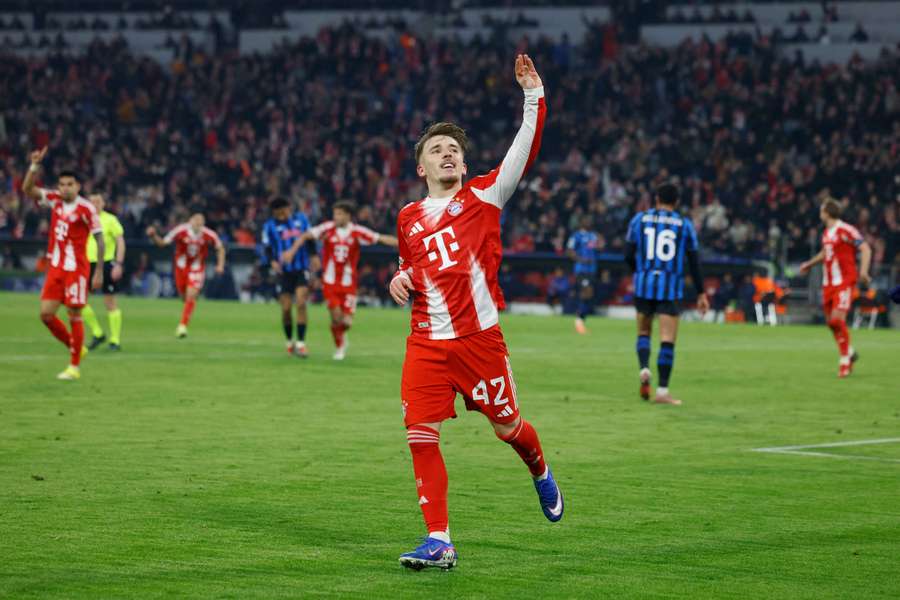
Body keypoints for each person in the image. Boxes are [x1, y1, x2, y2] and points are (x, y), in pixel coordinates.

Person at [388, 55, 561, 571]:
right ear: (421, 167)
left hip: (479, 342)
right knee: (420, 435)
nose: (447, 155)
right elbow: (410, 268)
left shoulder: (486, 194)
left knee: (508, 429)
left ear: (463, 165)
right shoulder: (407, 218)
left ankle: (540, 468)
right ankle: (439, 540)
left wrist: (533, 95)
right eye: (436, 150)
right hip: (426, 343)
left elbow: (523, 151)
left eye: (454, 150)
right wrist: (398, 279)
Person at [22, 147, 104, 380]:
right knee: (46, 315)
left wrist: (98, 273)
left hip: (76, 269)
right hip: (56, 267)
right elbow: (27, 189)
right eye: (62, 184)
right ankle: (75, 346)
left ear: (78, 186)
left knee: (74, 314)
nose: (65, 188)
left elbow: (99, 240)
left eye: (70, 184)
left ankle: (74, 367)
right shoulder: (54, 200)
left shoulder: (86, 208)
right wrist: (34, 166)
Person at [625, 182, 709, 405]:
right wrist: (701, 292)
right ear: (677, 202)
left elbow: (627, 254)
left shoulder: (639, 220)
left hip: (643, 285)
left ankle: (644, 368)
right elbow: (693, 261)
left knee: (643, 332)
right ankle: (662, 391)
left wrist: (640, 273)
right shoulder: (684, 224)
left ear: (656, 199)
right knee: (667, 339)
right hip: (670, 287)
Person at [282, 201, 398, 360]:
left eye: (339, 214)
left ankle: (341, 337)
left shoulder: (357, 232)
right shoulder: (327, 229)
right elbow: (305, 235)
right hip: (330, 283)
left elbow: (380, 238)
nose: (335, 217)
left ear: (348, 216)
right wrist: (292, 251)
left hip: (349, 284)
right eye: (335, 213)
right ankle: (339, 346)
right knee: (336, 317)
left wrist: (403, 243)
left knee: (347, 322)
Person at [799, 197, 872, 377]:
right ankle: (850, 352)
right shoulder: (827, 233)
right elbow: (826, 252)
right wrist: (809, 263)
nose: (820, 212)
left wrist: (863, 272)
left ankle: (844, 361)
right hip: (828, 283)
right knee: (831, 324)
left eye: (822, 209)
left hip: (844, 281)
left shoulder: (845, 230)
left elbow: (865, 248)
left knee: (836, 320)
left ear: (827, 212)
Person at [146, 209, 225, 338]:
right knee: (184, 296)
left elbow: (220, 248)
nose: (199, 222)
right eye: (196, 219)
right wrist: (153, 236)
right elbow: (163, 243)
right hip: (180, 268)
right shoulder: (180, 230)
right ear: (190, 221)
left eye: (201, 220)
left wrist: (220, 265)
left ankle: (182, 326)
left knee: (191, 295)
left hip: (197, 268)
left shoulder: (209, 234)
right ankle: (186, 312)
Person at [260, 196, 316, 357]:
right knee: (285, 309)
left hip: (301, 269)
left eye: (283, 212)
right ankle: (289, 340)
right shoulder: (269, 226)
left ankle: (301, 343)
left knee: (300, 303)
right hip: (283, 272)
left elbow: (310, 238)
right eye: (277, 214)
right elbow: (267, 247)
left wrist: (313, 255)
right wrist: (272, 262)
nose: (281, 216)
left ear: (289, 208)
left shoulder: (301, 219)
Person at [83, 194, 126, 350]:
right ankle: (97, 332)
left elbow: (120, 241)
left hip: (106, 263)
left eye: (98, 201)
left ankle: (115, 340)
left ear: (103, 203)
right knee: (78, 301)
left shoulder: (110, 219)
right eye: (92, 201)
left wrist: (118, 264)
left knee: (110, 302)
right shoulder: (84, 218)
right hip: (86, 263)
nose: (95, 204)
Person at [566, 215, 601, 334]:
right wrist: (581, 259)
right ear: (581, 222)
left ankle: (580, 318)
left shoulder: (593, 235)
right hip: (581, 269)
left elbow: (599, 247)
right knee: (587, 291)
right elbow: (569, 251)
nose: (589, 221)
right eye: (587, 219)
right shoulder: (576, 236)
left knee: (589, 294)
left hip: (592, 269)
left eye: (590, 220)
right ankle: (579, 321)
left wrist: (600, 245)